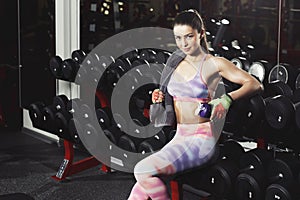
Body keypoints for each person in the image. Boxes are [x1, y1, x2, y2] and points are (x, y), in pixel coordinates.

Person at [128, 9, 263, 200]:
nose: (183, 43)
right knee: (140, 188)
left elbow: (255, 84)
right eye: (178, 38)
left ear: (200, 33)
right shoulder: (175, 63)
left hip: (201, 141)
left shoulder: (214, 63)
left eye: (189, 36)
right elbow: (172, 97)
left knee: (141, 171)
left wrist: (227, 99)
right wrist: (159, 96)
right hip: (179, 137)